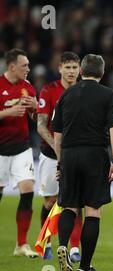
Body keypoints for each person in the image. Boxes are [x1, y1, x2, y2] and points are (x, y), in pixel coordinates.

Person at [52, 54, 113, 271]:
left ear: (81, 72)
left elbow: (57, 134)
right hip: (95, 154)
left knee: (70, 206)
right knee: (93, 210)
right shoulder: (108, 95)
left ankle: (63, 244)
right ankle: (85, 266)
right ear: (102, 73)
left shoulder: (66, 95)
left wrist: (60, 163)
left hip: (70, 154)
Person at [37, 51, 83, 261]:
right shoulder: (49, 90)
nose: (71, 71)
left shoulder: (84, 91)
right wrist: (58, 149)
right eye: (68, 67)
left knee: (77, 200)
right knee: (50, 202)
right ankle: (45, 243)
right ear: (60, 69)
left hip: (75, 154)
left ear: (80, 69)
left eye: (75, 67)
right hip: (50, 154)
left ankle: (74, 248)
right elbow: (40, 125)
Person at [0, 48, 39, 258]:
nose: (28, 69)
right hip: (0, 150)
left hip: (22, 148)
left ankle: (21, 244)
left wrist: (34, 109)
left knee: (27, 190)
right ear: (12, 66)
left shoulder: (28, 88)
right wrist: (9, 112)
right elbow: (9, 113)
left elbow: (36, 120)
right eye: (24, 65)